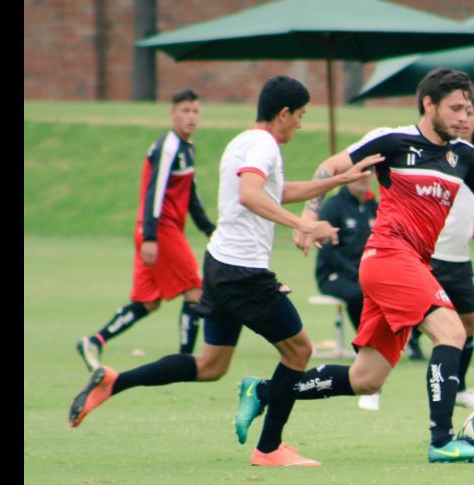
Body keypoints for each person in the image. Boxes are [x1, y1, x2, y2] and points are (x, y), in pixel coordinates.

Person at [67, 76, 382, 468]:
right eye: (299, 116)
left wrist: (337, 180)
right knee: (299, 350)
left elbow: (273, 193)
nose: (300, 124)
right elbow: (251, 195)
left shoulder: (243, 141)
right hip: (242, 273)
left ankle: (115, 381)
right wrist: (303, 226)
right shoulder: (264, 144)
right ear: (283, 113)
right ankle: (269, 449)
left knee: (210, 365)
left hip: (218, 266)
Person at [236, 68, 474, 464]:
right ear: (428, 104)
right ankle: (442, 439)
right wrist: (310, 215)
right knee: (452, 331)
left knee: (366, 379)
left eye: (468, 109)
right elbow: (329, 167)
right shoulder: (394, 140)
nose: (465, 117)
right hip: (387, 256)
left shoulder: (466, 157)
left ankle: (263, 391)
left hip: (410, 264)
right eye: (455, 108)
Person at [75, 89, 216, 372]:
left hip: (157, 231)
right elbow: (154, 192)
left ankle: (95, 341)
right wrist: (150, 236)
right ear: (173, 114)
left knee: (148, 301)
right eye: (185, 111)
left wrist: (208, 228)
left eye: (195, 111)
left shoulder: (188, 148)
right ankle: (185, 361)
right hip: (159, 231)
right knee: (195, 289)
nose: (191, 117)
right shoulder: (169, 146)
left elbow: (190, 195)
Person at [404, 99, 474, 413]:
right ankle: (368, 381)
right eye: (460, 112)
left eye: (471, 113)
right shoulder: (441, 155)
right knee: (423, 324)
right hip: (432, 256)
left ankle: (459, 386)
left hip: (460, 259)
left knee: (468, 323)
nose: (466, 119)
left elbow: (462, 208)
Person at [315, 176, 378, 333]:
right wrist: (354, 272)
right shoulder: (333, 206)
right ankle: (366, 340)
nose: (364, 177)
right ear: (349, 175)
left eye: (368, 173)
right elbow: (326, 249)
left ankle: (406, 339)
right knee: (358, 294)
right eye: (360, 173)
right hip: (335, 275)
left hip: (368, 274)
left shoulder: (373, 207)